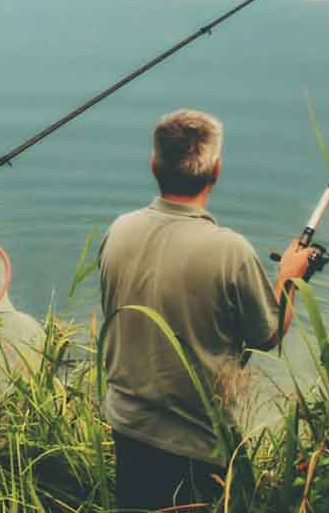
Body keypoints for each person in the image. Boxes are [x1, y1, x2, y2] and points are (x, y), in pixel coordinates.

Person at [98, 109, 317, 511]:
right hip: (198, 443)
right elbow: (268, 335)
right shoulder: (228, 249)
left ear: (154, 165)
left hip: (127, 426)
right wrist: (289, 276)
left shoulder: (118, 231)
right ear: (215, 172)